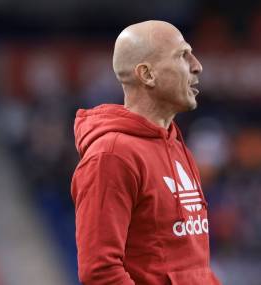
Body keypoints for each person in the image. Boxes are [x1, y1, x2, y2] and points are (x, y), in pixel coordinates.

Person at [71, 20, 222, 285]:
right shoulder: (111, 156)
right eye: (182, 56)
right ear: (147, 74)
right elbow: (99, 272)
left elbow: (192, 267)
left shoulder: (176, 145)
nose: (197, 65)